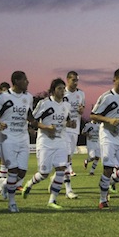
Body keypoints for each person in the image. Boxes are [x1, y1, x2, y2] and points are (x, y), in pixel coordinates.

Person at [22, 78, 75, 209]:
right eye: (59, 88)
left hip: (60, 141)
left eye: (63, 89)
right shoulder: (44, 104)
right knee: (44, 174)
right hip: (45, 142)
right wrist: (46, 128)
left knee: (61, 170)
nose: (62, 91)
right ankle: (29, 184)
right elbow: (32, 121)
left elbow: (67, 121)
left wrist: (71, 124)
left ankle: (52, 200)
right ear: (52, 90)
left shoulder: (66, 105)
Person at [0, 71, 38, 213]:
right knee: (13, 170)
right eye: (25, 80)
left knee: (22, 173)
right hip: (7, 138)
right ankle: (12, 202)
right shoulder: (3, 97)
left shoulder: (28, 97)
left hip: (23, 138)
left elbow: (29, 115)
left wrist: (34, 123)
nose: (27, 82)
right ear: (16, 81)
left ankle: (5, 184)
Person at [90, 67, 119, 210]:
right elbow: (93, 115)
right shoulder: (107, 97)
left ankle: (109, 182)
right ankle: (103, 200)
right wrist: (109, 120)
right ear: (114, 80)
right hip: (108, 135)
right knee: (108, 168)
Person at [62, 71, 84, 197]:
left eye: (77, 80)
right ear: (68, 80)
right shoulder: (62, 93)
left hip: (75, 129)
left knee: (69, 157)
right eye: (73, 80)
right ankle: (68, 189)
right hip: (64, 129)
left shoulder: (81, 93)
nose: (75, 82)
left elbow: (82, 109)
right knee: (66, 158)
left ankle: (55, 179)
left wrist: (81, 110)